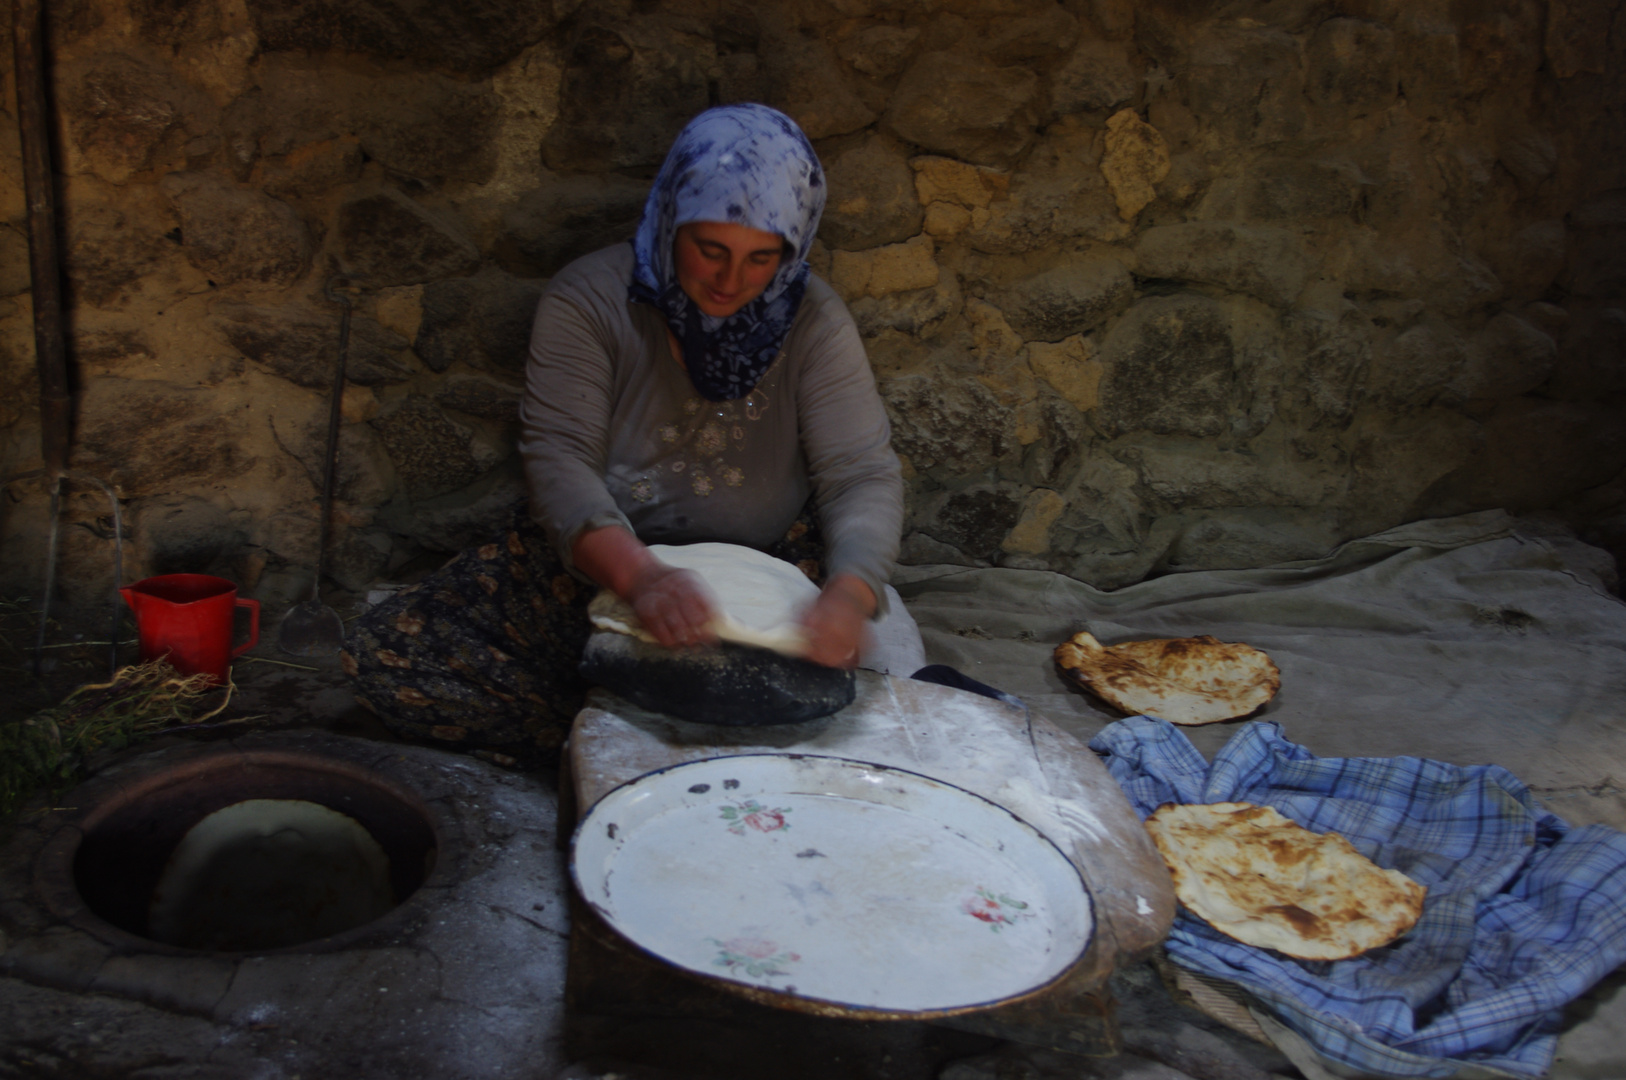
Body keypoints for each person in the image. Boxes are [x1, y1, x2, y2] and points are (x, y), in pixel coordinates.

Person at [342, 103, 904, 762]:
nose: (731, 282)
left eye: (761, 259)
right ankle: (605, 742)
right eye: (710, 249)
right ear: (671, 221)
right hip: (606, 558)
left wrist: (848, 591)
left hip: (767, 562)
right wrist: (641, 578)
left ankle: (660, 730)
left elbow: (861, 473)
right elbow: (560, 459)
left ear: (792, 248)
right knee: (387, 657)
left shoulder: (813, 322)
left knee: (826, 696)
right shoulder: (590, 300)